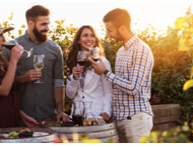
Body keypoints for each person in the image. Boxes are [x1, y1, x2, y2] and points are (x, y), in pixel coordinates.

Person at [88, 8, 154, 143]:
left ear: (122, 28)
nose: (107, 34)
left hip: (137, 120)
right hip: (120, 119)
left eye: (109, 30)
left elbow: (133, 88)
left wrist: (105, 73)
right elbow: (119, 86)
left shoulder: (141, 50)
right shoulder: (121, 51)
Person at [1, 5, 69, 126]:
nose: (47, 28)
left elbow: (58, 82)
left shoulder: (55, 49)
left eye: (48, 24)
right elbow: (1, 84)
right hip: (20, 117)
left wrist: (60, 110)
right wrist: (23, 79)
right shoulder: (11, 47)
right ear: (31, 24)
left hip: (49, 116)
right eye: (43, 24)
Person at [66, 25, 113, 122]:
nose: (89, 39)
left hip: (97, 114)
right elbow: (70, 95)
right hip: (77, 115)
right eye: (85, 35)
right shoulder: (72, 62)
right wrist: (74, 78)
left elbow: (108, 91)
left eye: (92, 36)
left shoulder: (102, 62)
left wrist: (107, 111)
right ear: (78, 40)